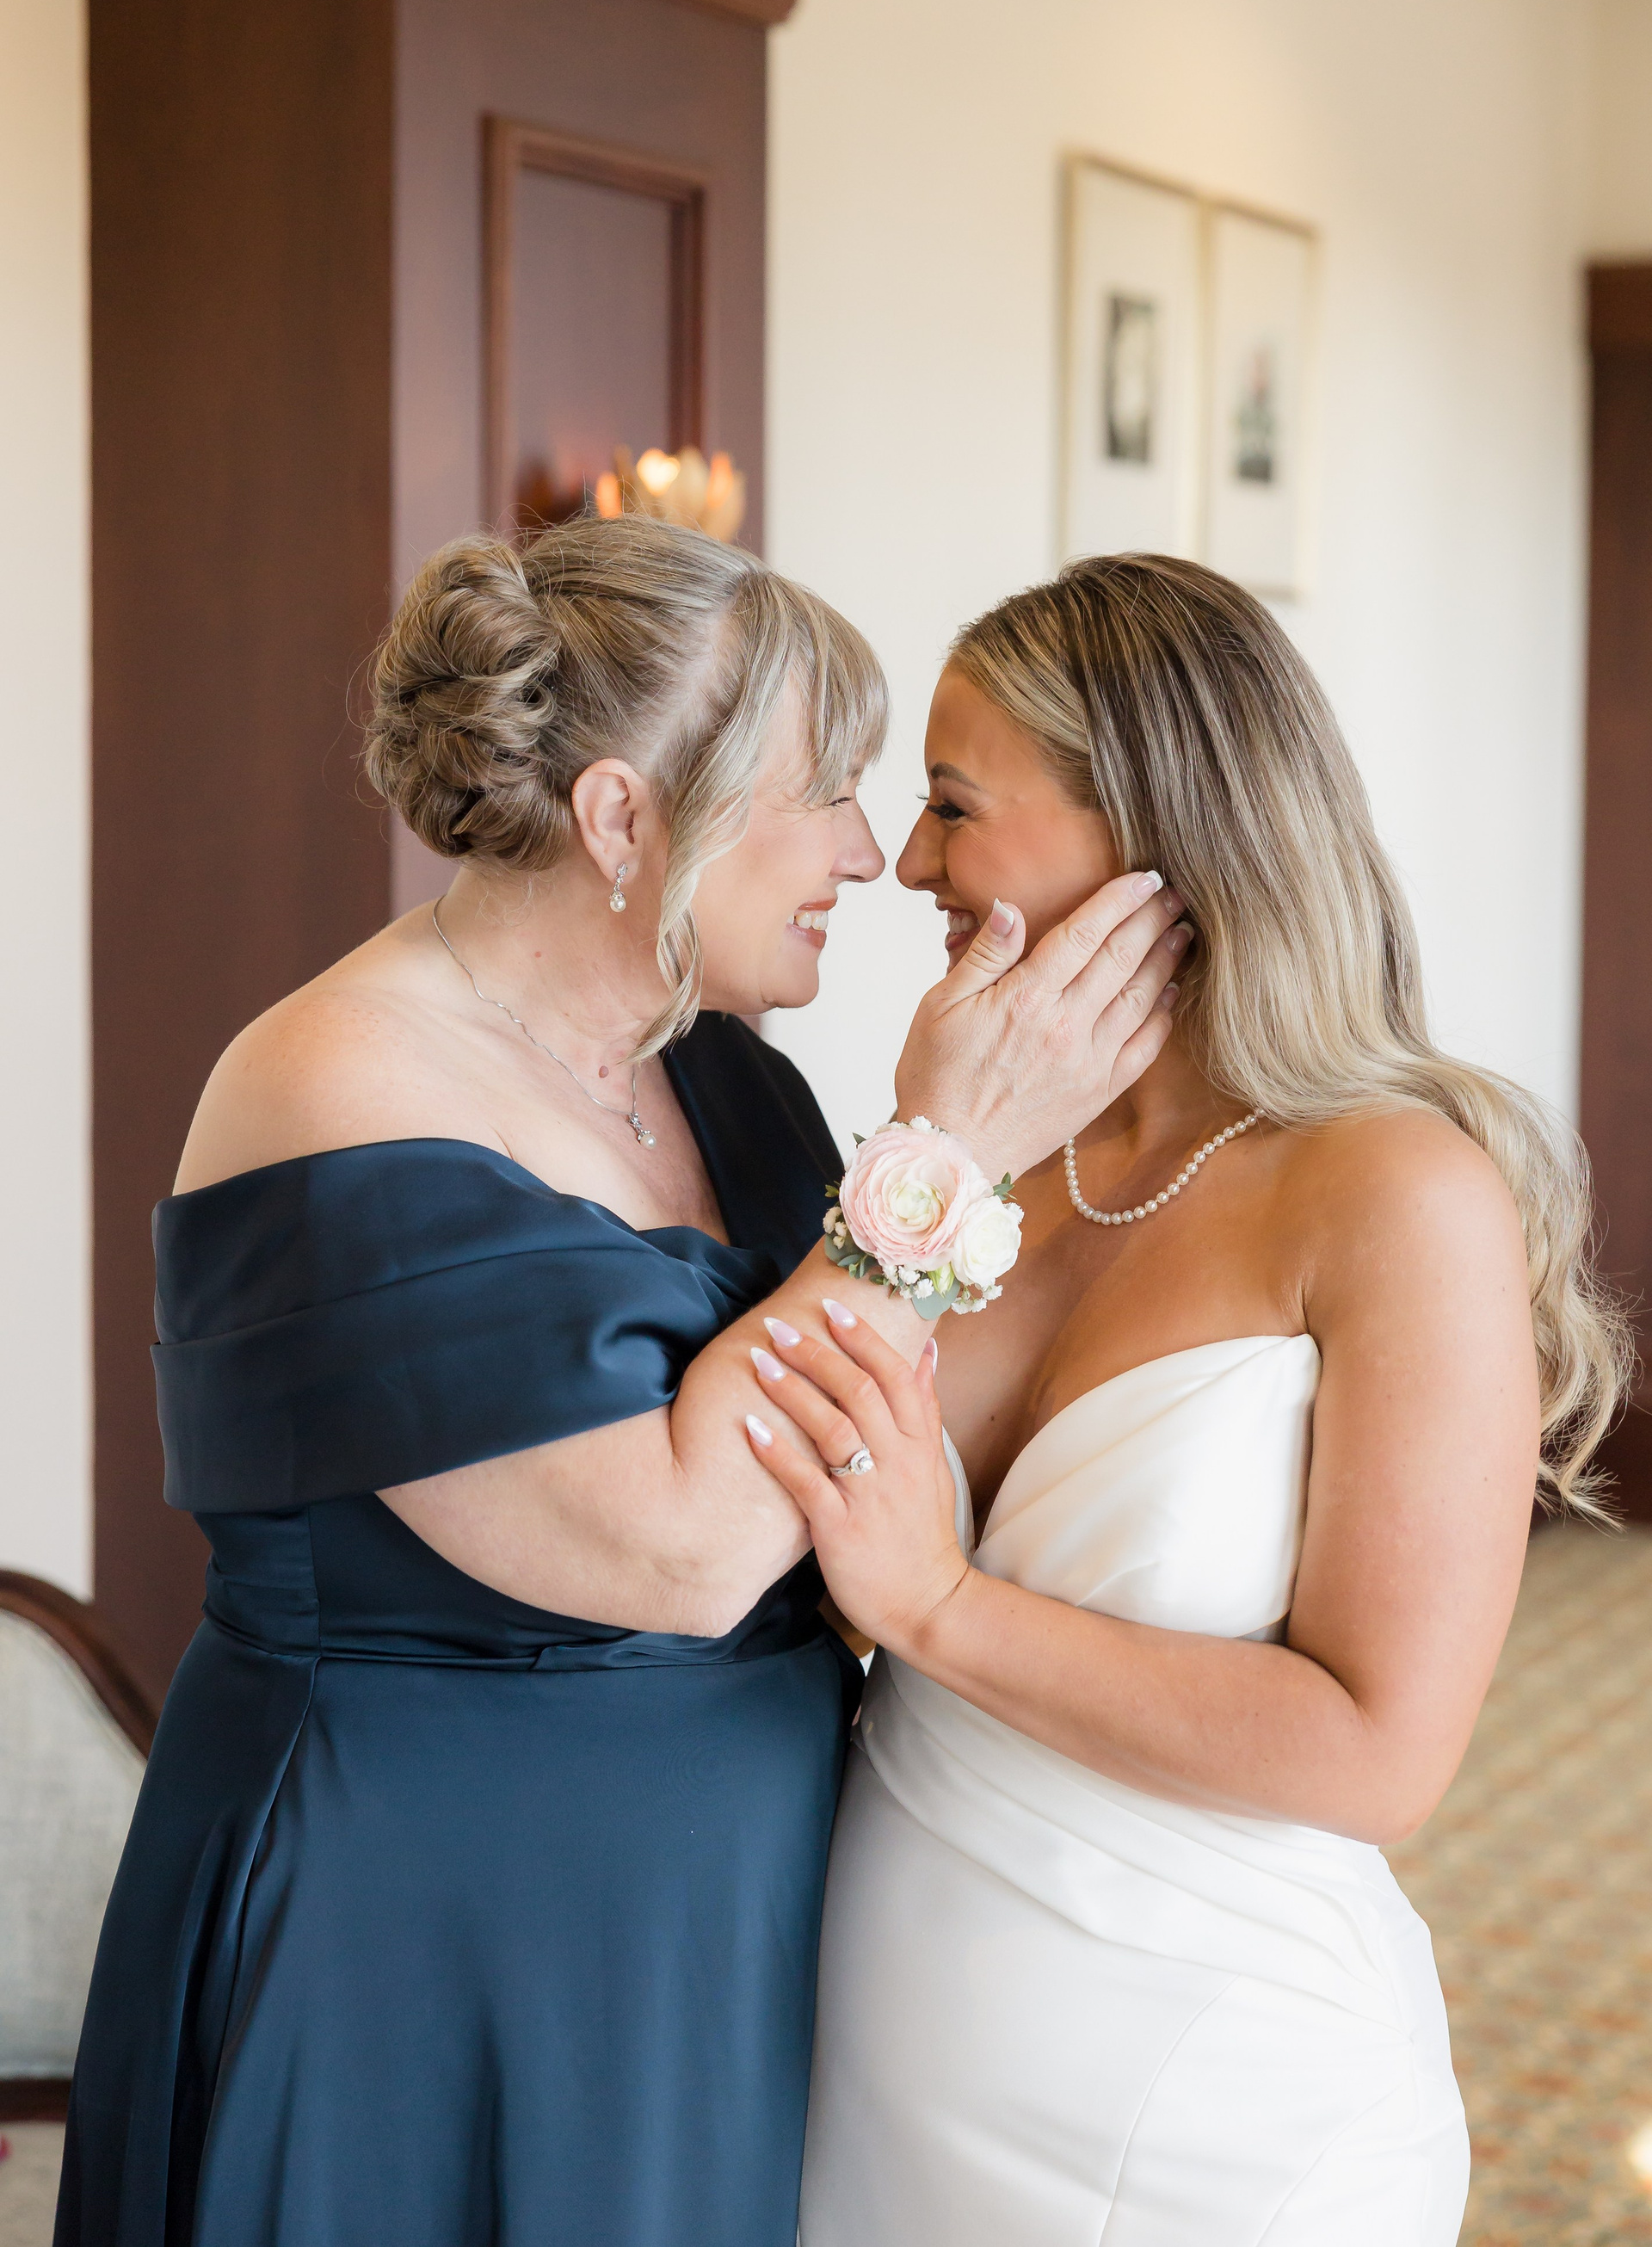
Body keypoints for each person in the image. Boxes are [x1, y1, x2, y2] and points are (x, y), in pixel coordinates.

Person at [56, 517, 1187, 2247]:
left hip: (709, 1936)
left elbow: (873, 1440)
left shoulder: (730, 1081)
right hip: (413, 1943)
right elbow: (687, 1549)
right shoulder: (334, 1086)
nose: (869, 851)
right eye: (825, 791)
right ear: (620, 816)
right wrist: (948, 1142)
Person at [746, 553, 1632, 2247]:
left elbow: (1379, 1751)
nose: (911, 860)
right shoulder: (996, 1162)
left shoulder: (1395, 1192)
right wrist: (931, 1144)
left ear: (1150, 825)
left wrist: (939, 1606)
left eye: (952, 805)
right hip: (883, 2081)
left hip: (1215, 2114)